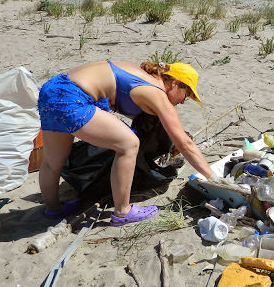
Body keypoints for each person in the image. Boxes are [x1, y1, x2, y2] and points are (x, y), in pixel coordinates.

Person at [37, 59, 214, 226]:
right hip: (72, 97)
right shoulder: (156, 92)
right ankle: (123, 212)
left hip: (51, 90)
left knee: (53, 162)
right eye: (186, 94)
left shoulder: (141, 76)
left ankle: (53, 209)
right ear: (175, 83)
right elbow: (185, 143)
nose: (183, 102)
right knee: (129, 144)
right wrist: (213, 178)